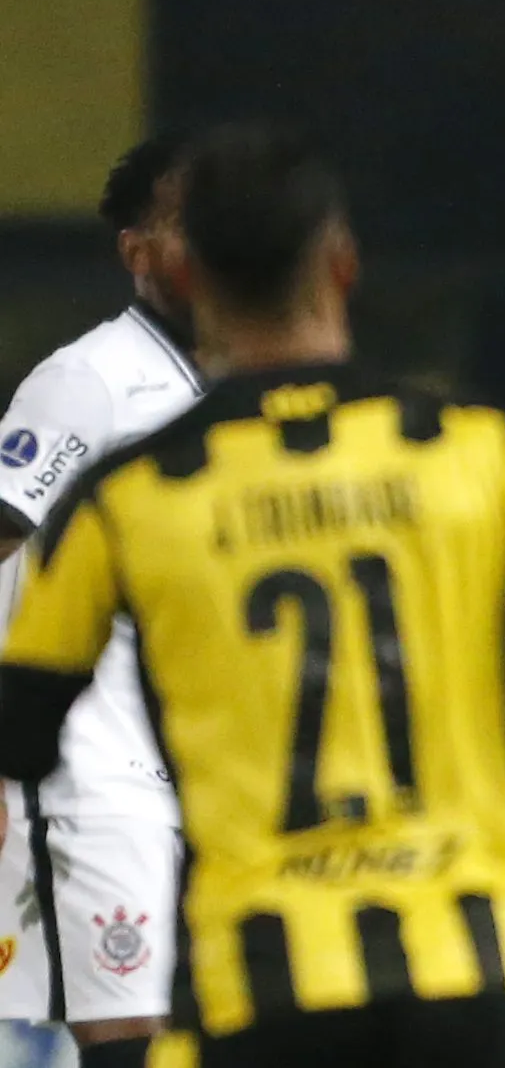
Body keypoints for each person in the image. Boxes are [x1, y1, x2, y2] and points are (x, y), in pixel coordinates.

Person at [0, 126, 505, 1067]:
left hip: (255, 986)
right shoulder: (480, 451)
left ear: (191, 278)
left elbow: (22, 718)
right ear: (345, 265)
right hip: (457, 971)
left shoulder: (132, 499)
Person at [0, 138, 202, 1067]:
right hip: (95, 778)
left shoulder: (245, 388)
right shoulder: (90, 380)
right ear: (137, 249)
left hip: (203, 780)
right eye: (185, 216)